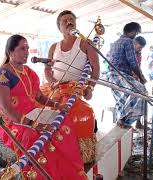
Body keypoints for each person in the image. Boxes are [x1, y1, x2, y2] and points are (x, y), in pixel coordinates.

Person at [0, 34, 87, 179]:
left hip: (33, 112)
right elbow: (6, 109)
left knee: (63, 121)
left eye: (28, 48)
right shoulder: (2, 75)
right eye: (22, 48)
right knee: (33, 136)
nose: (26, 52)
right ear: (10, 52)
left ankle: (66, 172)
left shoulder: (29, 72)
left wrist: (57, 105)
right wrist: (34, 124)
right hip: (10, 120)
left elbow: (39, 97)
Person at [42, 10, 100, 164]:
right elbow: (47, 70)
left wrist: (91, 87)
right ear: (59, 27)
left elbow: (96, 68)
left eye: (71, 19)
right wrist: (53, 82)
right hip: (55, 88)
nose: (69, 22)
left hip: (75, 89)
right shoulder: (54, 47)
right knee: (40, 113)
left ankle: (74, 154)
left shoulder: (85, 43)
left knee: (82, 115)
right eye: (65, 21)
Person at [108, 22, 147, 128]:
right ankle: (124, 120)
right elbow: (133, 63)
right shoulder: (128, 41)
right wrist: (141, 78)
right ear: (133, 31)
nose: (136, 35)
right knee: (140, 90)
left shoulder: (116, 42)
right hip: (120, 75)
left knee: (123, 99)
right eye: (136, 32)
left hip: (112, 76)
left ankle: (122, 120)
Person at [133, 36, 147, 129]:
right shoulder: (128, 53)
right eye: (139, 47)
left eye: (141, 48)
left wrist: (142, 77)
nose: (140, 49)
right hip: (127, 79)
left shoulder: (139, 54)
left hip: (136, 79)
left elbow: (138, 67)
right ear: (134, 43)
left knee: (144, 97)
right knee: (132, 101)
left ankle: (138, 122)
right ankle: (125, 124)